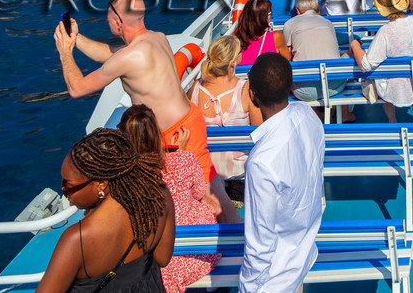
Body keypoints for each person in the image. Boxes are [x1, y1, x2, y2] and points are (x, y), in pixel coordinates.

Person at [55, 0, 210, 181]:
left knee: (174, 201)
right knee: (212, 192)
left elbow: (77, 89)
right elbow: (107, 53)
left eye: (108, 20)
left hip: (171, 137)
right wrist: (75, 38)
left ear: (118, 22)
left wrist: (65, 52)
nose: (107, 23)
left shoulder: (128, 57)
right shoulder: (157, 38)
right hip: (191, 120)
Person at [34, 128, 175, 293]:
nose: (64, 191)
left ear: (101, 184)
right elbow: (163, 258)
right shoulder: (159, 195)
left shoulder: (77, 239)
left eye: (68, 185)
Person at [240, 53, 326, 293]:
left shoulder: (261, 163)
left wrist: (247, 289)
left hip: (275, 280)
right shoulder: (308, 115)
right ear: (290, 87)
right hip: (304, 252)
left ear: (253, 96)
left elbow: (260, 243)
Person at [118, 104, 222, 293]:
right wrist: (179, 152)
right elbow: (199, 193)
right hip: (199, 254)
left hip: (159, 265)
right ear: (157, 132)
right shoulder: (185, 160)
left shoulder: (126, 178)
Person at [188, 36, 259, 218]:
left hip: (206, 179)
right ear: (233, 63)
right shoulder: (245, 89)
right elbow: (261, 132)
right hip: (239, 177)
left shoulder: (195, 89)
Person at [347, 0, 413, 119]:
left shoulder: (385, 31)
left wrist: (354, 45)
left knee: (380, 75)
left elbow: (366, 65)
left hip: (395, 89)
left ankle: (392, 120)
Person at [281, 0, 341, 104]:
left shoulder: (290, 23)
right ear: (317, 8)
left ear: (298, 10)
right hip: (333, 87)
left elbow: (287, 55)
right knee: (346, 55)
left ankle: (317, 112)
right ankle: (345, 112)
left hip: (304, 91)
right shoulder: (328, 23)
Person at [233, 0, 291, 67]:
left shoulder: (235, 39)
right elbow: (288, 60)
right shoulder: (275, 37)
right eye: (270, 13)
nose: (270, 16)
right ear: (262, 17)